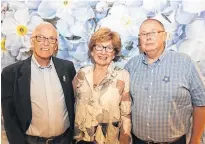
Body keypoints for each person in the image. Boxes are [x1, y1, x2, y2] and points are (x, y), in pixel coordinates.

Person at [125, 18, 205, 144]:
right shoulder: (131, 65)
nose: (148, 37)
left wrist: (195, 140)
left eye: (153, 32)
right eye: (143, 34)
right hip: (138, 141)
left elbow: (201, 104)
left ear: (165, 36)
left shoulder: (185, 63)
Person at [1, 22, 76, 144]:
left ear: (56, 45)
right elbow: (9, 117)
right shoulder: (11, 73)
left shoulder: (67, 68)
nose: (46, 43)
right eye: (40, 38)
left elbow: (74, 103)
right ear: (32, 41)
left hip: (64, 140)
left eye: (52, 39)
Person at [73, 27, 131, 144]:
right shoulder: (81, 73)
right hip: (82, 138)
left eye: (109, 48)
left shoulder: (122, 76)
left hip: (108, 139)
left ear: (114, 54)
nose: (103, 52)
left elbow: (126, 115)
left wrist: (125, 139)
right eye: (99, 46)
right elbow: (73, 101)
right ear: (92, 51)